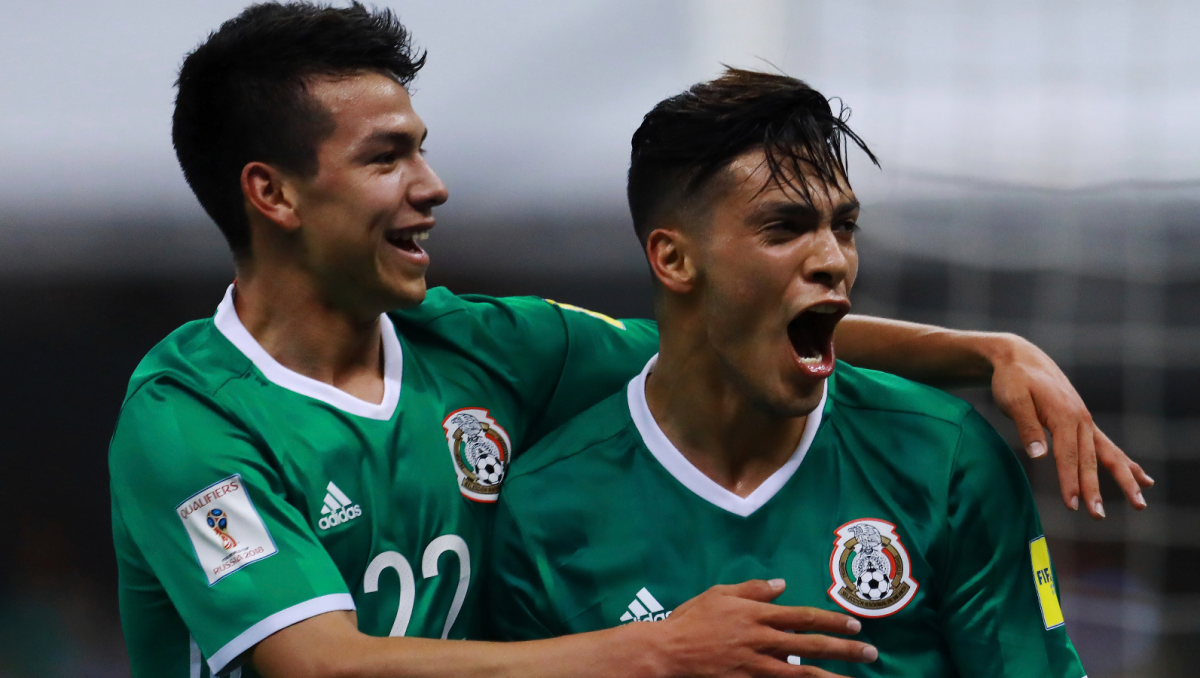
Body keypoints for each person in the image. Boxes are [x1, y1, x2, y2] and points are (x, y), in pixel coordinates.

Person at [108, 3, 1149, 677]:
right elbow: (322, 664)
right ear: (272, 193)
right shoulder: (190, 416)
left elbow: (714, 337)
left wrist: (981, 353)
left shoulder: (485, 347)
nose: (433, 186)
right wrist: (660, 650)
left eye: (424, 150)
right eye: (388, 158)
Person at [485, 69, 1093, 677]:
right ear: (673, 258)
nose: (834, 261)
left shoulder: (947, 457)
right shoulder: (545, 509)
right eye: (785, 228)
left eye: (844, 227)